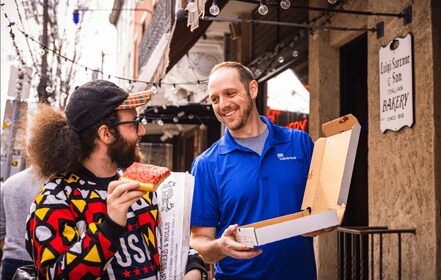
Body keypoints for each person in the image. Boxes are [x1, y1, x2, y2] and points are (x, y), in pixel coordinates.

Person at [25, 80, 207, 279]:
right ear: (106, 133)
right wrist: (110, 226)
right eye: (134, 124)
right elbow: (54, 274)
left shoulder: (139, 186)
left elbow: (173, 246)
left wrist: (194, 268)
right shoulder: (55, 198)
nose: (142, 132)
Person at [190, 61, 318, 279]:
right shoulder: (206, 164)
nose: (223, 104)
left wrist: (323, 222)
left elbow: (323, 205)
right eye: (215, 99)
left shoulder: (300, 143)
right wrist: (220, 247)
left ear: (252, 89)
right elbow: (199, 240)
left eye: (230, 93)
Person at [0, 166, 44, 280]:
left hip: (11, 261)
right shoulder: (58, 186)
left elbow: (1, 228)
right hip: (42, 264)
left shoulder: (9, 183)